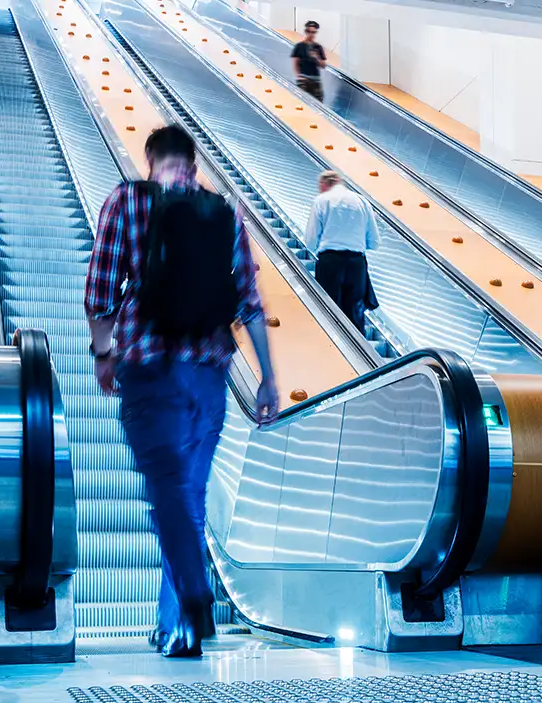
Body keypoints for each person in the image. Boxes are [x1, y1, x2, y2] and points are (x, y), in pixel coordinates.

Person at [85, 125, 278, 657]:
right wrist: (267, 378)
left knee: (166, 489)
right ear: (193, 165)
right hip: (210, 377)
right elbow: (249, 301)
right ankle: (178, 625)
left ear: (152, 161)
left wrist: (103, 355)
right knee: (187, 497)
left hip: (151, 370)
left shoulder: (128, 201)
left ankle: (193, 595)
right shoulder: (224, 213)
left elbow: (99, 291)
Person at [305, 170, 381, 333]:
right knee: (355, 313)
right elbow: (374, 242)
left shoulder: (321, 200)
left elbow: (311, 240)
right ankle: (358, 347)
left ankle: (331, 345)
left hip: (330, 261)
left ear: (323, 184)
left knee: (329, 311)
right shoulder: (362, 201)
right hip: (357, 264)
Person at [291, 20, 327, 102]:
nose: (311, 34)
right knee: (301, 102)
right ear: (306, 31)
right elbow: (295, 63)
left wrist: (317, 57)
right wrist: (299, 76)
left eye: (313, 32)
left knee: (318, 103)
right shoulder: (299, 46)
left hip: (316, 80)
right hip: (304, 79)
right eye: (309, 31)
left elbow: (323, 66)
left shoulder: (318, 47)